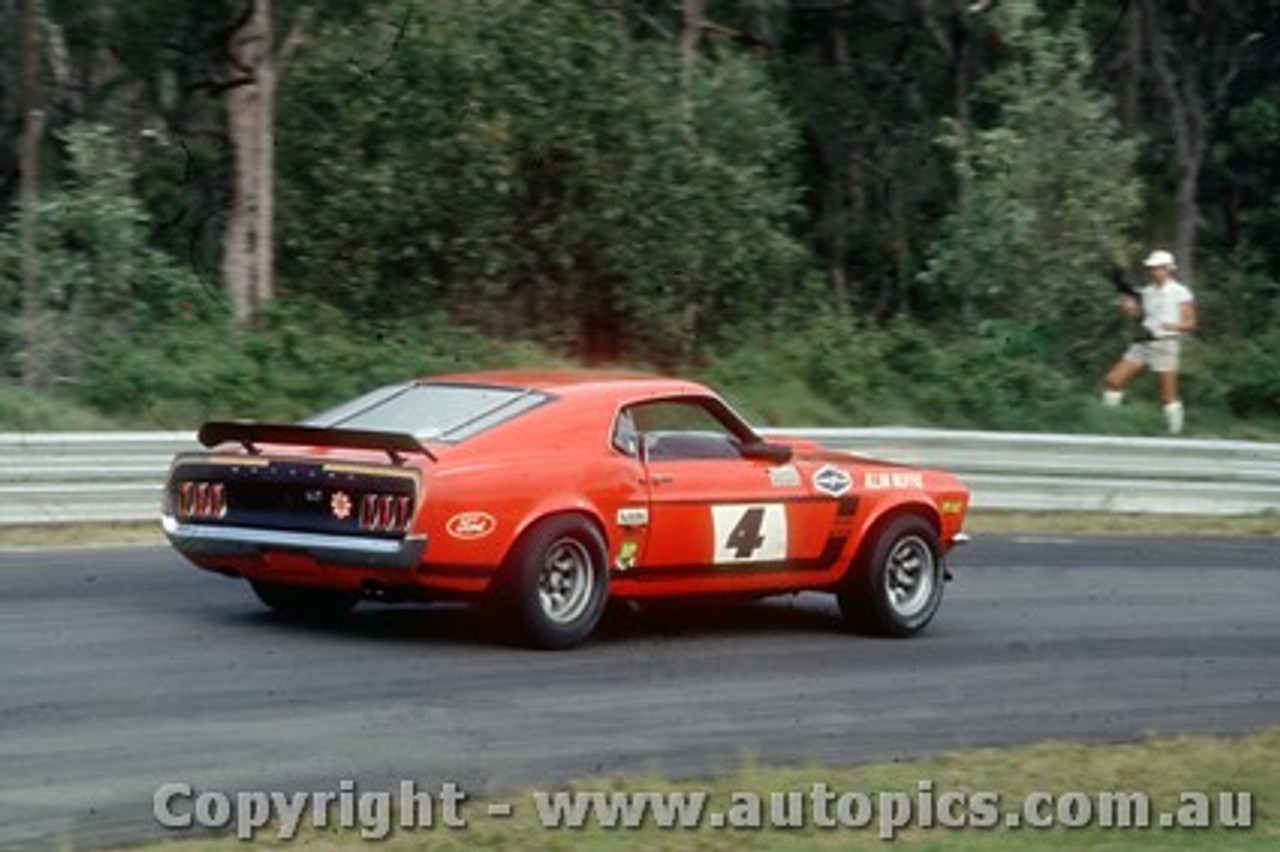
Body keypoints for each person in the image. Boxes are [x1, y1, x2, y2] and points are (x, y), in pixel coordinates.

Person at [1102, 250, 1197, 434]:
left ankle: (1175, 432)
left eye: (1158, 268)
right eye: (1152, 268)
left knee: (1168, 395)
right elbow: (1137, 314)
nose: (1154, 272)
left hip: (1166, 344)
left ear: (1168, 269)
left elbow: (1191, 323)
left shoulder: (1180, 292)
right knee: (1113, 380)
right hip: (1143, 341)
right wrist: (1127, 305)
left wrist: (1173, 326)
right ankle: (1109, 424)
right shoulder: (1147, 292)